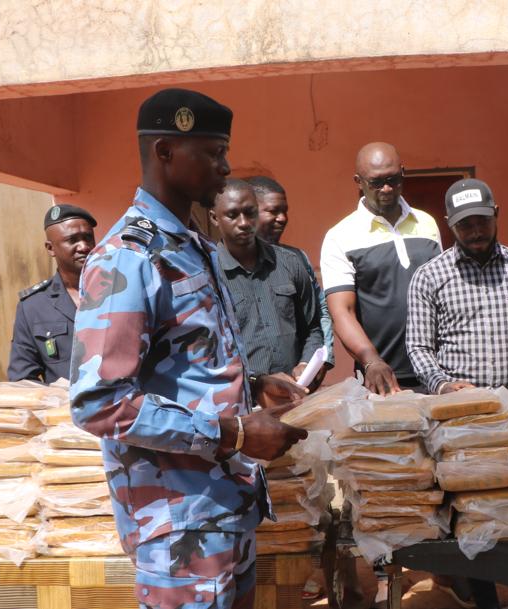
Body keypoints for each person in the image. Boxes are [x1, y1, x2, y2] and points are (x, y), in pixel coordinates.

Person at [69, 88, 308, 609]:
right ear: (165, 152)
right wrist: (234, 432)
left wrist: (251, 386)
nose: (225, 167)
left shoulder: (190, 245)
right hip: (178, 522)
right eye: (213, 153)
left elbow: (183, 364)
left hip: (224, 507)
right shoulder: (129, 257)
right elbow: (98, 402)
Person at [407, 177, 508, 609]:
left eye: (481, 221)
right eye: (464, 225)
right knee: (474, 512)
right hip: (461, 416)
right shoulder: (429, 276)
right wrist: (442, 385)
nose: (474, 231)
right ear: (449, 224)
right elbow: (418, 347)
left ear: (496, 215)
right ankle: (486, 599)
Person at [321, 142, 442, 395]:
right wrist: (371, 361)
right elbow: (342, 311)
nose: (386, 189)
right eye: (376, 182)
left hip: (440, 373)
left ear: (403, 173)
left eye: (393, 179)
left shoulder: (427, 224)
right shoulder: (340, 236)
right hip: (384, 381)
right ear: (358, 181)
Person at [208, 178, 325, 389]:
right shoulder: (207, 274)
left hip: (296, 394)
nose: (244, 223)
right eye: (233, 215)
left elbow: (312, 328)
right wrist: (256, 382)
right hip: (242, 401)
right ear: (215, 218)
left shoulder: (290, 262)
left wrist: (305, 363)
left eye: (250, 213)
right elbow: (208, 352)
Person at [246, 175, 335, 383]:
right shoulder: (218, 265)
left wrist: (316, 361)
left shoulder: (296, 259)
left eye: (284, 211)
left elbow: (318, 313)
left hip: (295, 387)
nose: (282, 218)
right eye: (273, 211)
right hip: (246, 394)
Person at [7, 204, 96, 383]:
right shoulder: (33, 306)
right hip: (63, 401)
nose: (84, 246)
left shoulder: (117, 292)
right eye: (72, 240)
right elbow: (23, 378)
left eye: (88, 238)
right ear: (50, 248)